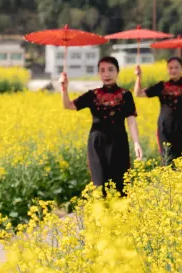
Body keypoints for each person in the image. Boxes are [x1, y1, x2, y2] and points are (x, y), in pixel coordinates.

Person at [60, 56, 143, 195]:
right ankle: (102, 216)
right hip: (97, 143)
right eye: (102, 70)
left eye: (111, 70)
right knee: (100, 187)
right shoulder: (92, 95)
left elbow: (131, 120)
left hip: (119, 142)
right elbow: (68, 105)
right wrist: (64, 88)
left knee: (121, 186)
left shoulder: (126, 95)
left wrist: (136, 143)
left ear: (117, 72)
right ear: (99, 73)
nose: (107, 74)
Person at [134, 56, 182, 165]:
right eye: (170, 68)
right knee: (167, 161)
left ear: (181, 69)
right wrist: (139, 77)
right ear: (167, 70)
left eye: (176, 67)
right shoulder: (161, 86)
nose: (173, 70)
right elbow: (138, 93)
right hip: (164, 129)